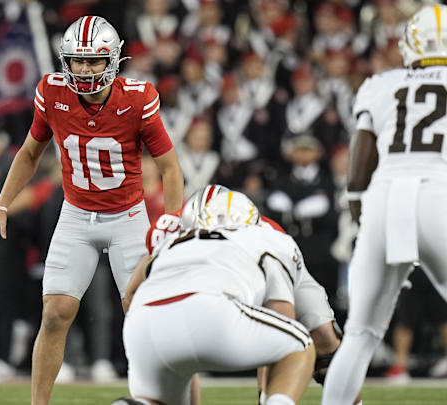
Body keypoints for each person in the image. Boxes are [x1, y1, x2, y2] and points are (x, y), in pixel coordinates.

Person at [0, 15, 184, 405]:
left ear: (113, 61)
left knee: (147, 316)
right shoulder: (51, 92)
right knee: (54, 313)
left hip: (128, 217)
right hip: (76, 215)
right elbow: (29, 153)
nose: (85, 70)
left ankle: (168, 399)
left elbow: (171, 168)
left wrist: (170, 223)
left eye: (94, 61)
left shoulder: (137, 98)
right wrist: (1, 203)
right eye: (77, 61)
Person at [323, 5, 447, 404]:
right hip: (437, 193)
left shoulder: (381, 84)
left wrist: (364, 222)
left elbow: (358, 172)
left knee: (359, 333)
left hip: (384, 196)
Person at [143, 184, 361, 405]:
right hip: (222, 283)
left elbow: (277, 321)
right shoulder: (168, 231)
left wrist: (265, 398)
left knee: (324, 336)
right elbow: (135, 289)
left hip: (284, 273)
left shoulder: (268, 239)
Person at [117, 189, 315, 405]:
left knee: (156, 402)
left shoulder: (173, 240)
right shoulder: (267, 236)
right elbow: (282, 314)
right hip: (212, 311)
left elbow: (131, 293)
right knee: (300, 343)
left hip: (142, 322)